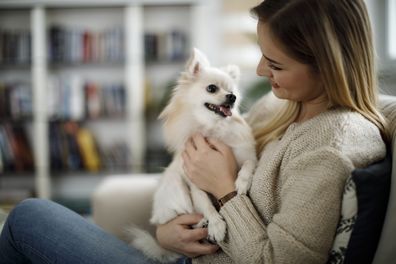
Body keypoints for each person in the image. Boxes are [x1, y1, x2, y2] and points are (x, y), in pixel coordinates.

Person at [0, 0, 388, 263]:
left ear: (327, 63)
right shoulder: (280, 109)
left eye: (275, 63)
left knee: (26, 218)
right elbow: (189, 172)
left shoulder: (331, 147)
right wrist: (167, 235)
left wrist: (224, 190)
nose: (257, 72)